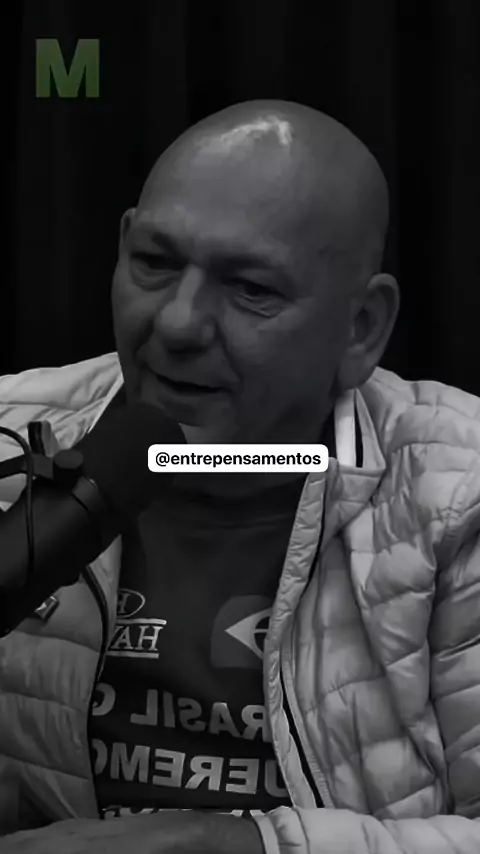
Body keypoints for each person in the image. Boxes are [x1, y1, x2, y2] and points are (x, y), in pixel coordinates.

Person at [0, 100, 478, 854]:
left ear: (362, 328)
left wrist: (238, 845)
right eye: (155, 264)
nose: (177, 324)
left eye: (251, 287)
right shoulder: (13, 433)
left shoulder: (459, 491)